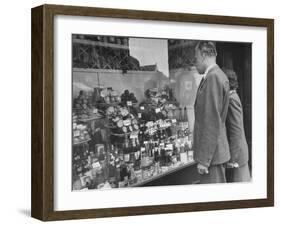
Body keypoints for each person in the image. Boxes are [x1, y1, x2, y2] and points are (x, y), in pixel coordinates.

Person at [193, 41, 230, 183]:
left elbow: (211, 121)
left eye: (196, 58)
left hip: (212, 158)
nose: (195, 62)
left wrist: (204, 160)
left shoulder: (213, 78)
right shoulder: (217, 75)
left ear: (203, 55)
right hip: (214, 154)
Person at [223, 68, 251, 182]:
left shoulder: (231, 99)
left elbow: (236, 130)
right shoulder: (231, 97)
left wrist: (232, 159)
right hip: (238, 155)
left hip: (237, 157)